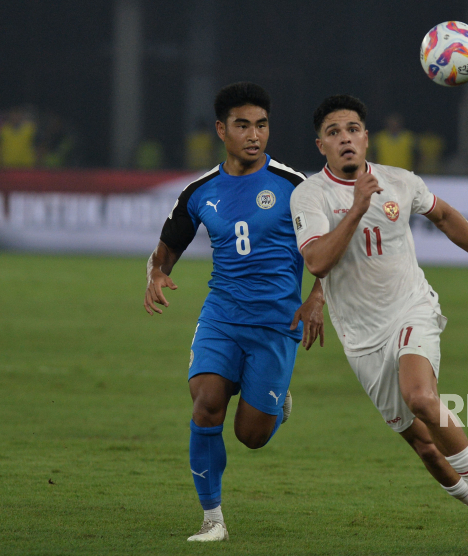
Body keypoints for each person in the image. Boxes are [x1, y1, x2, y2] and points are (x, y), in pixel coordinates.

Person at [290, 95, 468, 556]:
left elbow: (445, 215)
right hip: (360, 336)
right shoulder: (310, 195)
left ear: (366, 137)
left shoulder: (400, 181)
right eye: (334, 133)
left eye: (353, 129)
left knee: (421, 397)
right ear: (321, 146)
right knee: (427, 450)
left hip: (411, 309)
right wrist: (355, 209)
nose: (346, 139)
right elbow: (316, 259)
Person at [143, 82, 325, 542]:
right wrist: (157, 275)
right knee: (206, 405)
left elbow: (329, 252)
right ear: (222, 130)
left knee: (252, 436)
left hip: (276, 324)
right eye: (243, 125)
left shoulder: (294, 186)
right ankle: (212, 521)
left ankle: (276, 404)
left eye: (261, 125)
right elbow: (166, 248)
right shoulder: (199, 192)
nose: (254, 134)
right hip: (221, 316)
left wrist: (317, 296)